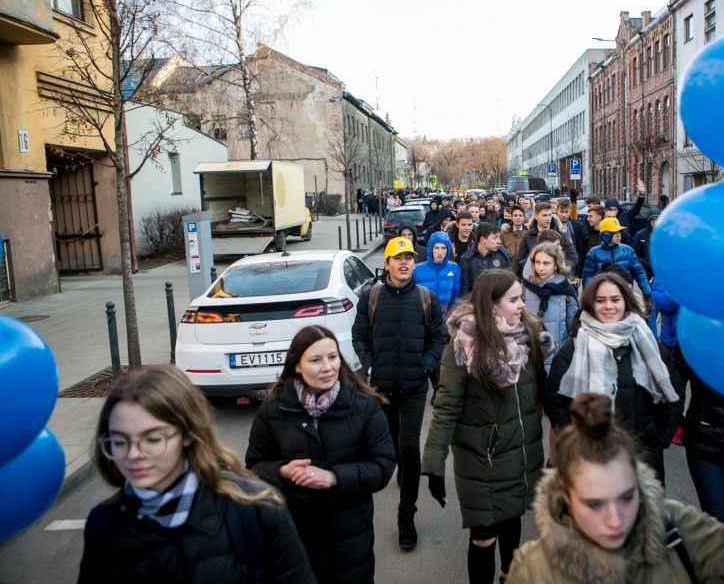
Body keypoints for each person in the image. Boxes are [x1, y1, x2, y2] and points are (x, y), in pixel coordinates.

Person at [505, 392, 724, 584]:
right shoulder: (533, 570)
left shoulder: (678, 527)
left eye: (626, 497)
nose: (615, 519)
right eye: (595, 504)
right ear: (566, 498)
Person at [80, 366, 316, 584]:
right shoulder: (103, 524)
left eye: (152, 439)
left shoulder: (257, 508)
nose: (133, 454)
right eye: (119, 441)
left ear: (187, 434)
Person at [422, 269, 552, 584]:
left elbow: (544, 391)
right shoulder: (463, 345)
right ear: (491, 304)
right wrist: (434, 464)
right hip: (482, 458)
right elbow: (446, 405)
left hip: (522, 452)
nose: (522, 305)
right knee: (483, 537)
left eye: (521, 297)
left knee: (511, 524)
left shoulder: (530, 334)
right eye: (514, 299)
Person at [246, 326, 395, 583]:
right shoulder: (274, 408)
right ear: (297, 366)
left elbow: (382, 466)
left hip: (350, 534)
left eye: (333, 357)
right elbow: (254, 466)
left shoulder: (364, 405)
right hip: (294, 531)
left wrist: (334, 477)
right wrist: (283, 472)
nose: (327, 367)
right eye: (315, 360)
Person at [352, 238, 449, 551]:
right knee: (392, 444)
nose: (405, 262)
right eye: (398, 258)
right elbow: (358, 336)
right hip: (381, 387)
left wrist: (426, 366)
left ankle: (406, 514)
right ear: (387, 264)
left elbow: (438, 337)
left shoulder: (426, 299)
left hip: (413, 386)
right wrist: (370, 364)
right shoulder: (371, 297)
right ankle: (402, 472)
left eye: (409, 257)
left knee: (409, 447)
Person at [545, 272, 683, 484]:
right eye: (600, 300)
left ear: (626, 301)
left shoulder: (648, 343)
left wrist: (661, 437)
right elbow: (557, 403)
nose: (609, 306)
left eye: (615, 299)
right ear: (590, 305)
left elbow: (673, 388)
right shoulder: (574, 348)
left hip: (643, 458)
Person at [522, 242, 577, 374]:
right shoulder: (524, 287)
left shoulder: (565, 289)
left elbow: (573, 325)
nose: (541, 267)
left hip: (558, 352)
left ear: (556, 265)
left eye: (546, 263)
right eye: (537, 262)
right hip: (531, 351)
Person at [581, 218, 651, 312]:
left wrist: (647, 291)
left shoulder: (628, 250)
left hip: (624, 296)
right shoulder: (593, 253)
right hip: (602, 297)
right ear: (606, 234)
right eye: (614, 232)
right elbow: (587, 278)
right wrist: (589, 298)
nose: (619, 234)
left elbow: (639, 272)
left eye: (619, 231)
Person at [515, 202, 578, 278]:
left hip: (556, 279)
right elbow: (520, 259)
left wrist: (559, 269)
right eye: (544, 215)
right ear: (536, 216)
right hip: (534, 280)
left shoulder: (560, 235)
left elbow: (573, 258)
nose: (548, 219)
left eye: (550, 215)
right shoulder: (528, 235)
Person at [414, 230, 462, 316]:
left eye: (443, 248)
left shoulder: (455, 268)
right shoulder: (417, 269)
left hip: (447, 317)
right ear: (431, 249)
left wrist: (452, 316)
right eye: (436, 247)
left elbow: (457, 295)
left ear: (448, 250)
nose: (440, 252)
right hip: (424, 317)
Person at [460, 222, 513, 295]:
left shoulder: (503, 255)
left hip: (498, 300)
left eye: (499, 237)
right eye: (495, 238)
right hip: (477, 302)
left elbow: (509, 282)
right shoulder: (466, 259)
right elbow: (465, 289)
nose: (499, 241)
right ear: (483, 240)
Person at [554, 198, 586, 277]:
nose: (564, 215)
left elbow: (580, 251)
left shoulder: (577, 226)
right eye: (561, 212)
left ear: (570, 211)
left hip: (572, 266)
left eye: (566, 212)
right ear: (556, 210)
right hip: (555, 266)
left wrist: (578, 275)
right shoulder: (552, 225)